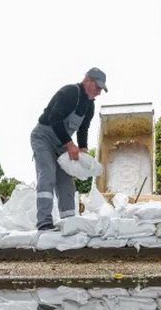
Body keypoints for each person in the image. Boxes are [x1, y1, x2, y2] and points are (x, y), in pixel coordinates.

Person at [31, 68, 107, 231]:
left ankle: (70, 223)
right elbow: (54, 119)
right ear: (87, 80)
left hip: (61, 145)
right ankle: (44, 222)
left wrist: (83, 148)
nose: (99, 92)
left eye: (101, 89)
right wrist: (70, 144)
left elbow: (83, 129)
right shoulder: (70, 93)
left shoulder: (89, 106)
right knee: (48, 174)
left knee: (66, 184)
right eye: (98, 88)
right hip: (43, 138)